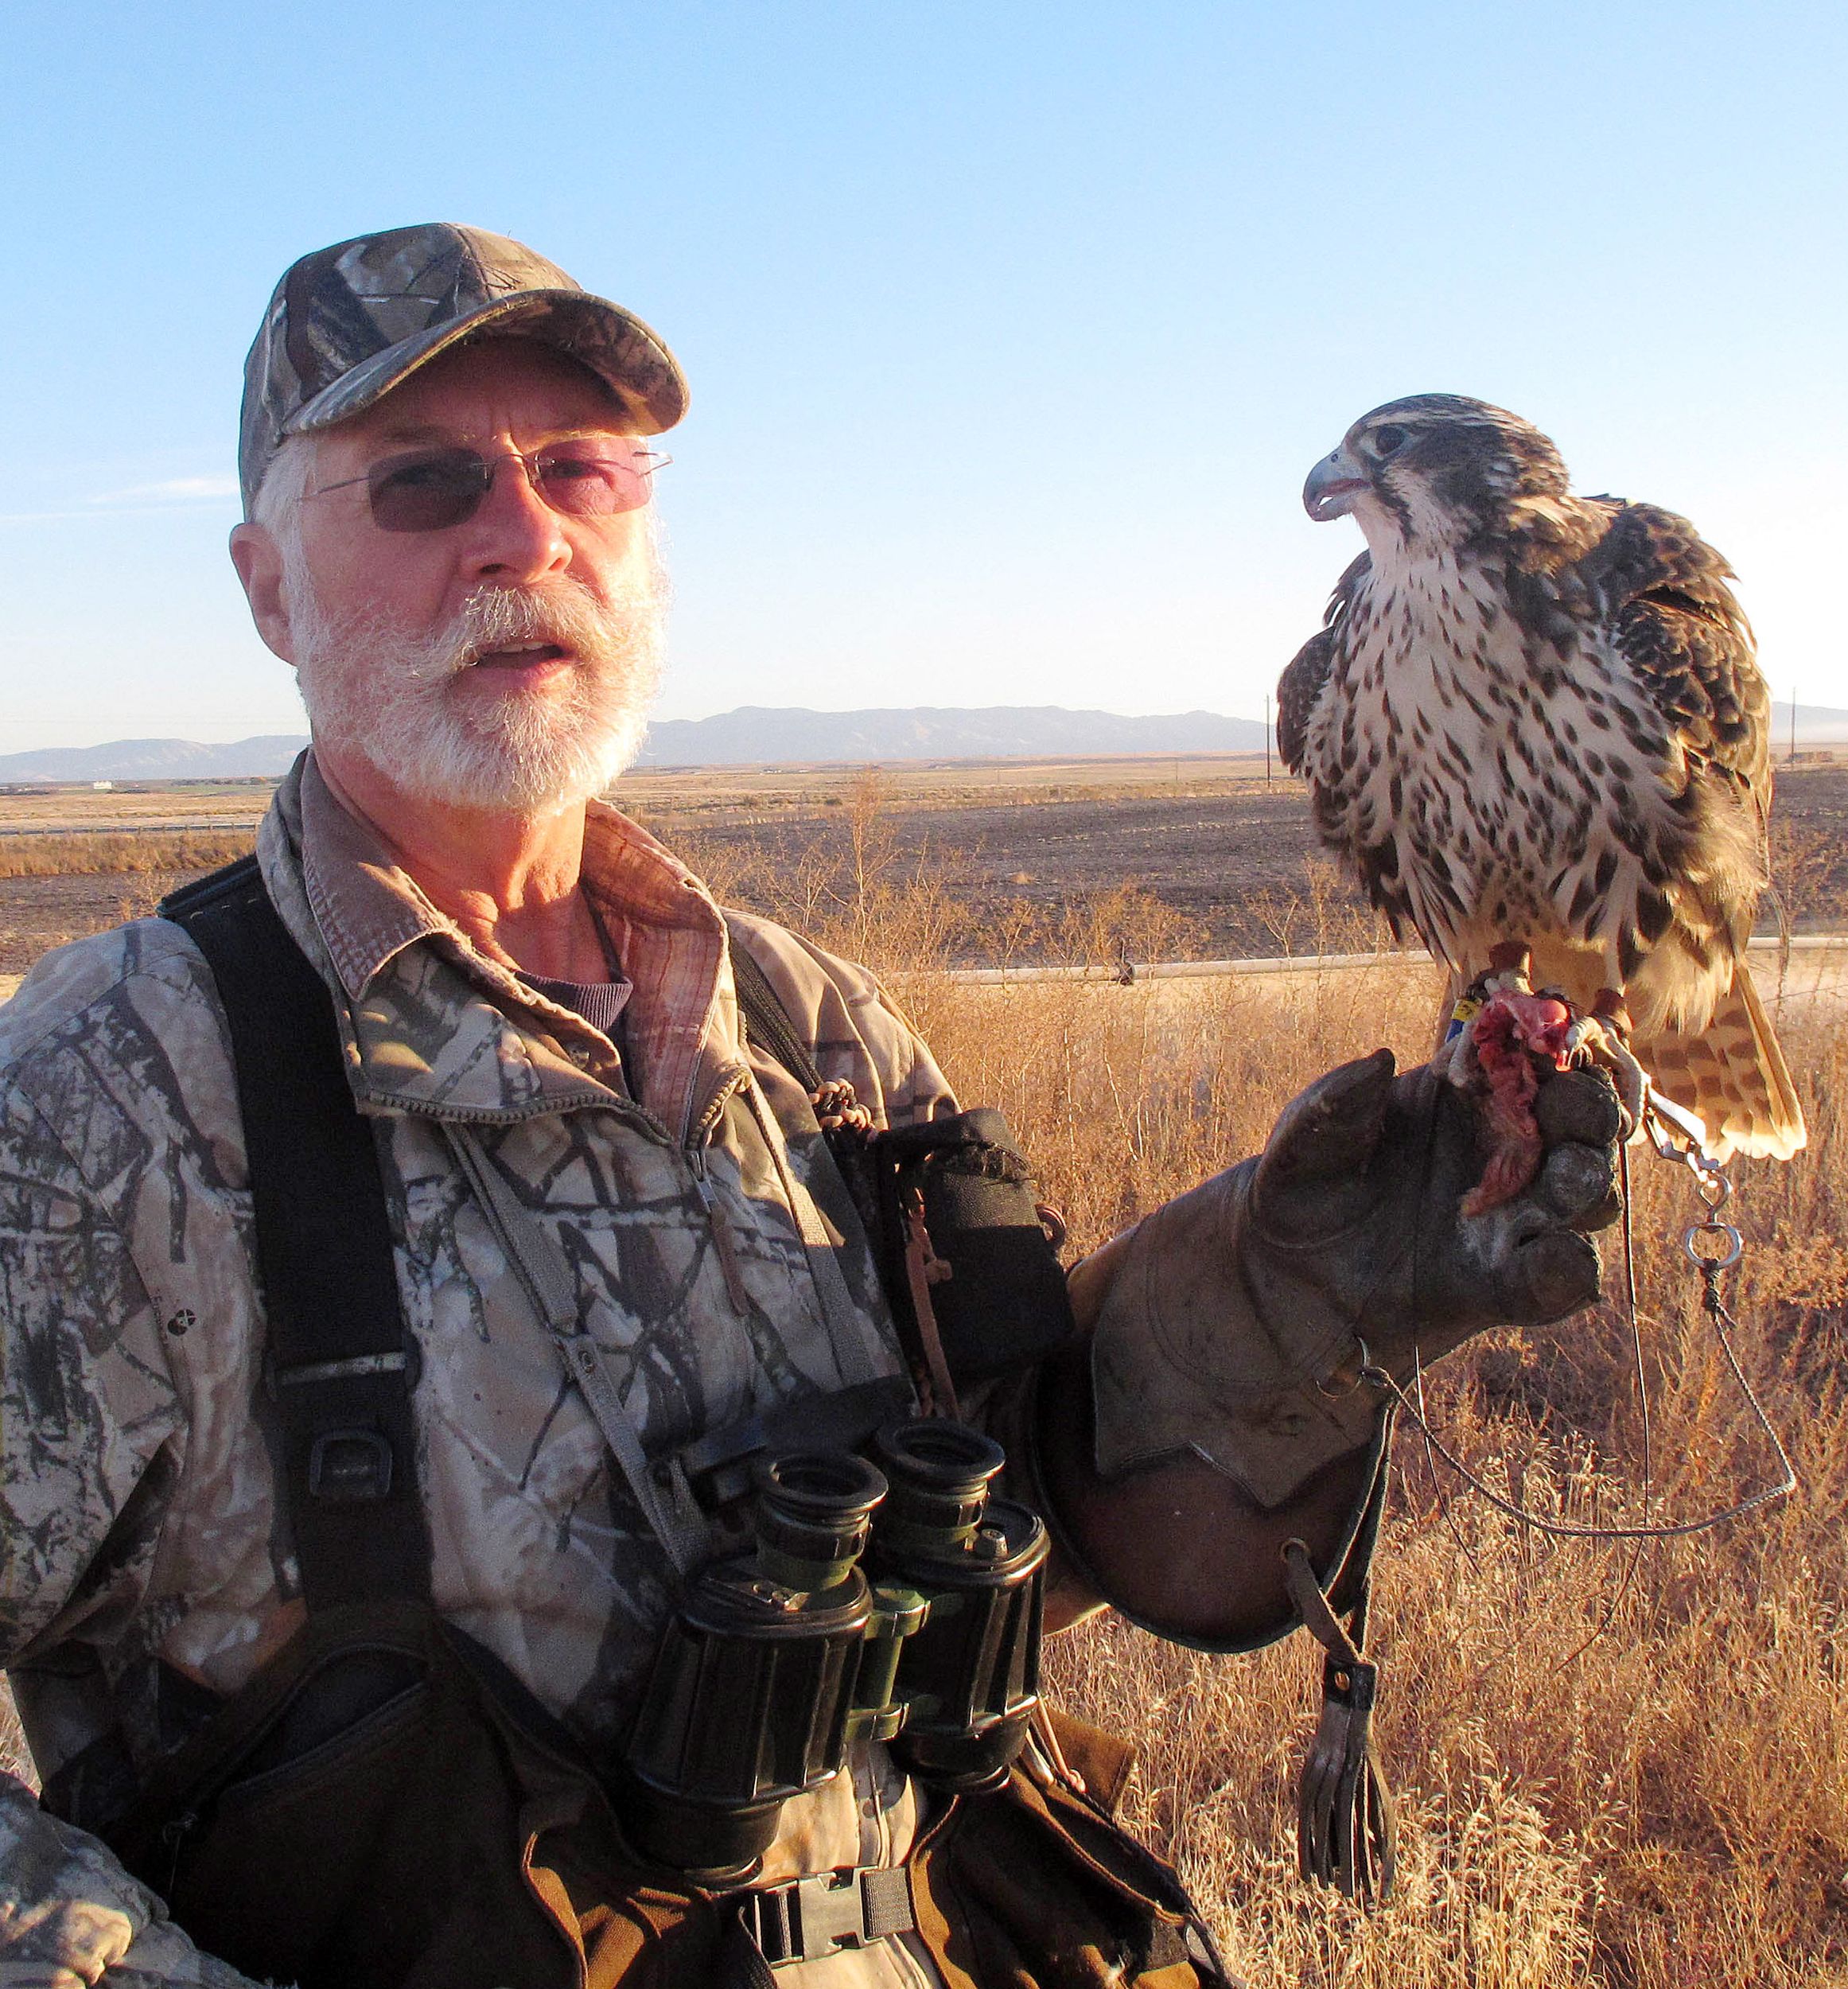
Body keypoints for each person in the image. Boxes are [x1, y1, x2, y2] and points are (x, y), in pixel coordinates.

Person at [0, 225, 1624, 1989]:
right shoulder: (119, 1091)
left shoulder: (813, 1027)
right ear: (265, 588)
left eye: (582, 471)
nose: (523, 531)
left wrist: (1293, 1285)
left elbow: (1041, 1506)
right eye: (420, 482)